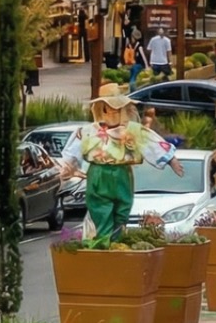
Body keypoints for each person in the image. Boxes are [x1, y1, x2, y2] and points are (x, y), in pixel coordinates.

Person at [58, 84, 182, 239]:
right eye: (108, 107)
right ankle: (103, 245)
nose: (112, 111)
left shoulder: (133, 131)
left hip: (122, 174)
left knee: (122, 210)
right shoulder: (88, 131)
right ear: (101, 108)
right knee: (100, 211)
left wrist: (172, 160)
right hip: (98, 174)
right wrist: (64, 169)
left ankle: (115, 242)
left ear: (123, 108)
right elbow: (72, 153)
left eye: (116, 107)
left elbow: (151, 143)